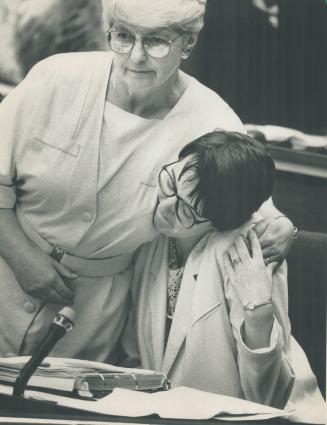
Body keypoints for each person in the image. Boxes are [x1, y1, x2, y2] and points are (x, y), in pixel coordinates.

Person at [0, 0, 294, 361]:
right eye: (123, 36)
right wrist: (19, 254)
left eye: (156, 42)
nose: (135, 56)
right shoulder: (56, 78)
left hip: (90, 311)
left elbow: (254, 205)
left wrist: (283, 228)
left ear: (187, 44)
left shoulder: (211, 118)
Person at [128, 130, 324, 414]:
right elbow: (135, 355)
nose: (166, 206)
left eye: (187, 209)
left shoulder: (247, 249)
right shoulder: (154, 240)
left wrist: (258, 311)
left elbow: (268, 399)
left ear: (222, 222)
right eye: (171, 181)